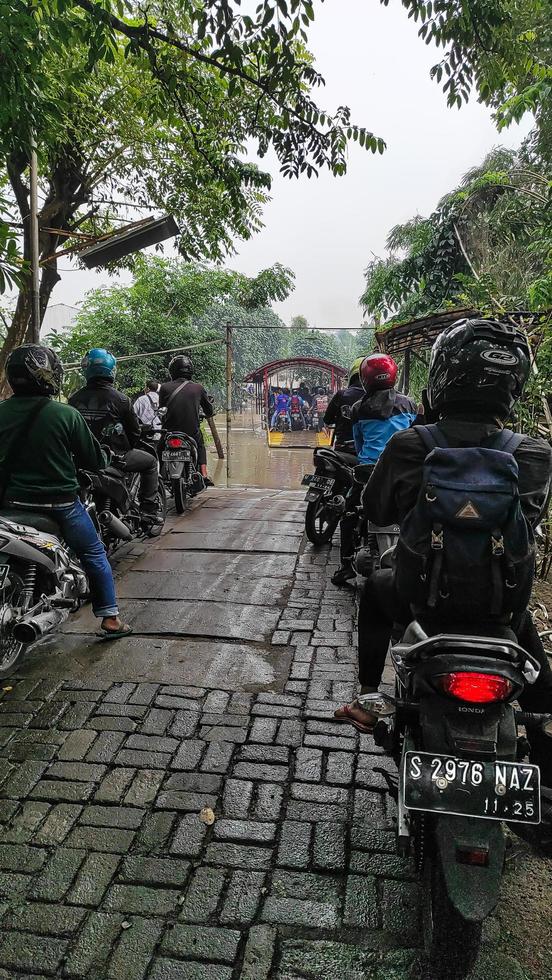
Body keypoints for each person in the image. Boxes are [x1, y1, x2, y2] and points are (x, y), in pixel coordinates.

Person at [335, 319, 552, 764]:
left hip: (422, 597)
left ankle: (370, 695)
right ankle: (545, 757)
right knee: (542, 696)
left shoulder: (410, 444)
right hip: (501, 606)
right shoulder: (535, 455)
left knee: (375, 588)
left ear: (442, 378)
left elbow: (377, 511)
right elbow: (529, 524)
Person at [0, 344, 131, 639]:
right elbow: (94, 460)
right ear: (48, 376)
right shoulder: (65, 414)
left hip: (10, 503)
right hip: (60, 504)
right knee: (95, 553)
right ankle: (110, 619)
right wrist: (107, 457)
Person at [331, 354, 417, 586]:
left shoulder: (359, 408)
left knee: (349, 514)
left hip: (368, 470)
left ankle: (346, 566)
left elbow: (358, 443)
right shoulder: (409, 404)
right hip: (404, 471)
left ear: (365, 378)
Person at [69, 349, 160, 522]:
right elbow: (134, 434)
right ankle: (149, 510)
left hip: (81, 460)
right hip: (116, 457)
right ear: (112, 370)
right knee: (150, 462)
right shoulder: (122, 399)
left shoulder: (74, 399)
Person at [159, 354, 214, 485]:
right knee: (200, 444)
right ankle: (204, 474)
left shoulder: (165, 388)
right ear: (190, 370)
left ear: (172, 371)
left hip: (170, 431)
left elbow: (162, 409)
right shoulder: (198, 388)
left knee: (160, 446)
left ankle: (160, 474)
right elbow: (209, 411)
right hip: (191, 432)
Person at [323, 358, 365, 450]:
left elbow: (327, 419)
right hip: (372, 451)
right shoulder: (387, 398)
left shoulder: (341, 395)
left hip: (345, 447)